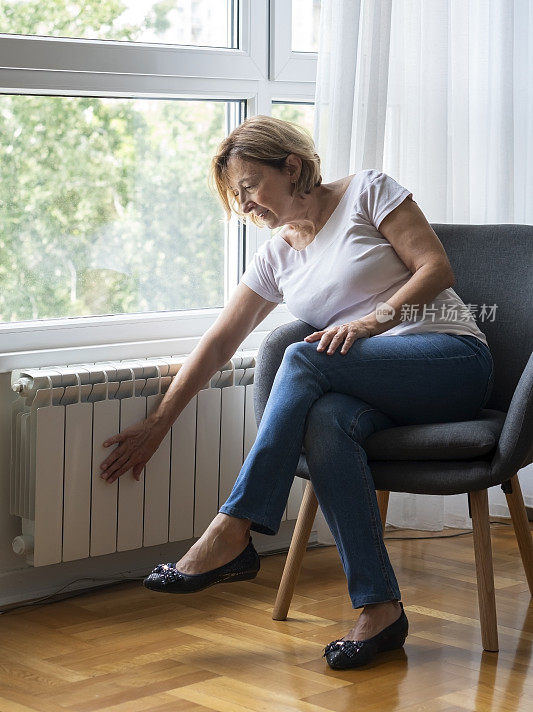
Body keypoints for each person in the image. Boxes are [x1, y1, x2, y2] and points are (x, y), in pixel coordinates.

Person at [98, 115, 494, 670]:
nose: (244, 206)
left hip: (448, 361)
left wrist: (371, 322)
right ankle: (380, 611)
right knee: (327, 423)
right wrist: (159, 424)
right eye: (235, 197)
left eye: (249, 186)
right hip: (370, 387)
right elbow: (218, 343)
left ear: (291, 166)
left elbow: (435, 266)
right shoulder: (277, 255)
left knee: (303, 355)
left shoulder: (368, 192)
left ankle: (232, 528)